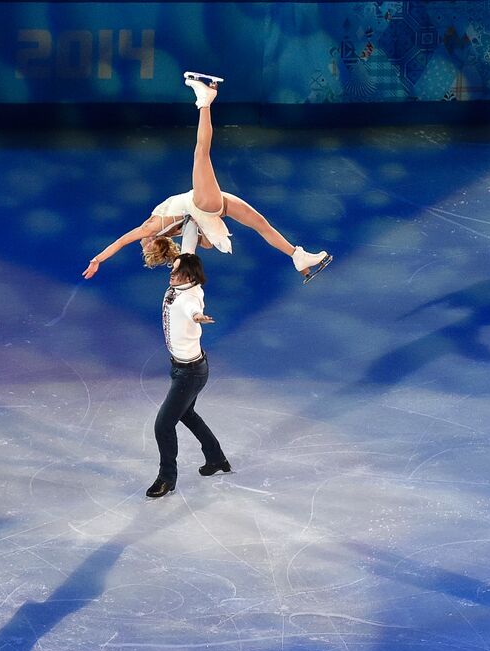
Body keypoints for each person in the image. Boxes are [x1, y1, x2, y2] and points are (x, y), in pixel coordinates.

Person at [83, 72, 331, 283]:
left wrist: (195, 240)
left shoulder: (171, 231)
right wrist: (97, 259)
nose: (141, 243)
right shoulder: (152, 228)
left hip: (213, 205)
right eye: (144, 245)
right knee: (201, 153)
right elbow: (121, 242)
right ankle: (205, 99)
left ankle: (297, 256)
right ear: (150, 242)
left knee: (261, 224)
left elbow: (207, 244)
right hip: (203, 202)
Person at [146, 252, 230, 499]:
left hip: (189, 373)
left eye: (177, 270)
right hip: (183, 367)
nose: (171, 273)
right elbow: (188, 249)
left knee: (163, 425)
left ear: (190, 275)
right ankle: (216, 458)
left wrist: (198, 318)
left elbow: (193, 309)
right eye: (172, 269)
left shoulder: (190, 298)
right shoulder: (184, 284)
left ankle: (166, 478)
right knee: (187, 415)